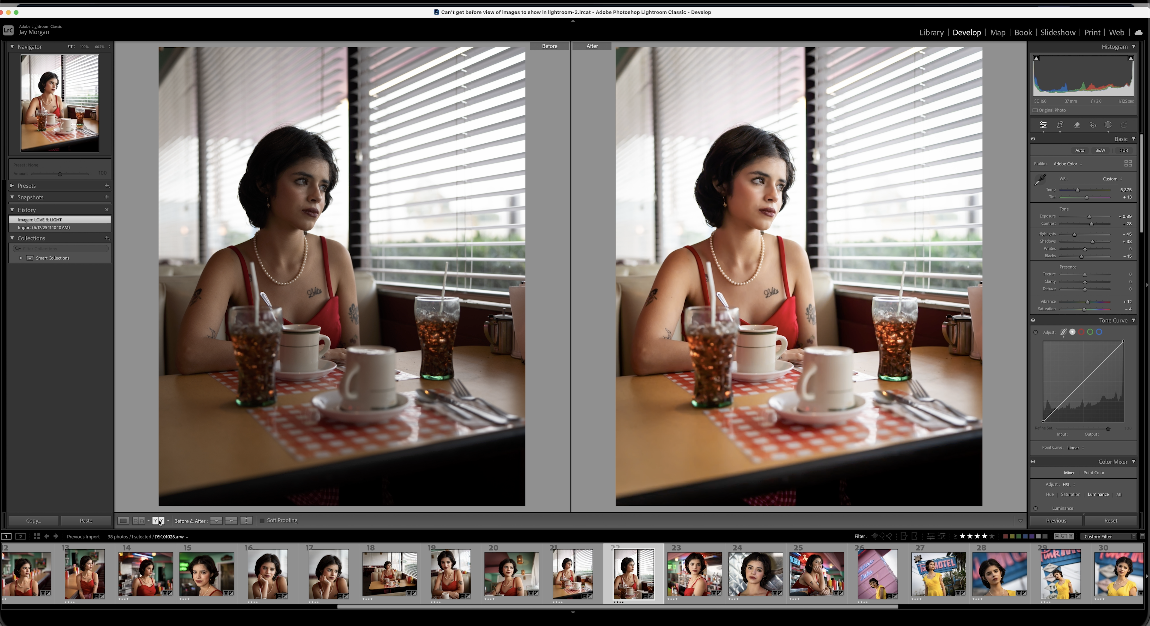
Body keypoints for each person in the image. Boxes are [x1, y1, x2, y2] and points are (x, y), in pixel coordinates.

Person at [631, 125, 814, 376]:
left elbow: (811, 355)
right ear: (720, 184)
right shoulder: (684, 264)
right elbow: (646, 354)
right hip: (714, 402)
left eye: (780, 186)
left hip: (785, 406)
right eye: (759, 180)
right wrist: (755, 353)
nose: (774, 196)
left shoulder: (793, 256)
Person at [176, 126, 358, 375]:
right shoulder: (228, 264)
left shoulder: (336, 257)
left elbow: (354, 355)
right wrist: (303, 353)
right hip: (258, 401)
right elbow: (190, 354)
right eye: (302, 181)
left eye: (324, 186)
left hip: (328, 405)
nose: (317, 196)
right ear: (264, 184)